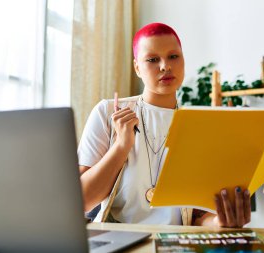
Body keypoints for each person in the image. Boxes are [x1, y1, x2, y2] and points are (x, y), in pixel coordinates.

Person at [78, 22, 251, 227]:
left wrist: (219, 222)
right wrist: (121, 146)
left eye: (173, 56)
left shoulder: (199, 125)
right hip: (119, 240)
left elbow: (197, 215)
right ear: (137, 68)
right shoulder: (108, 113)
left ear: (183, 60)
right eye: (152, 59)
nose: (165, 66)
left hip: (176, 243)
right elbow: (83, 200)